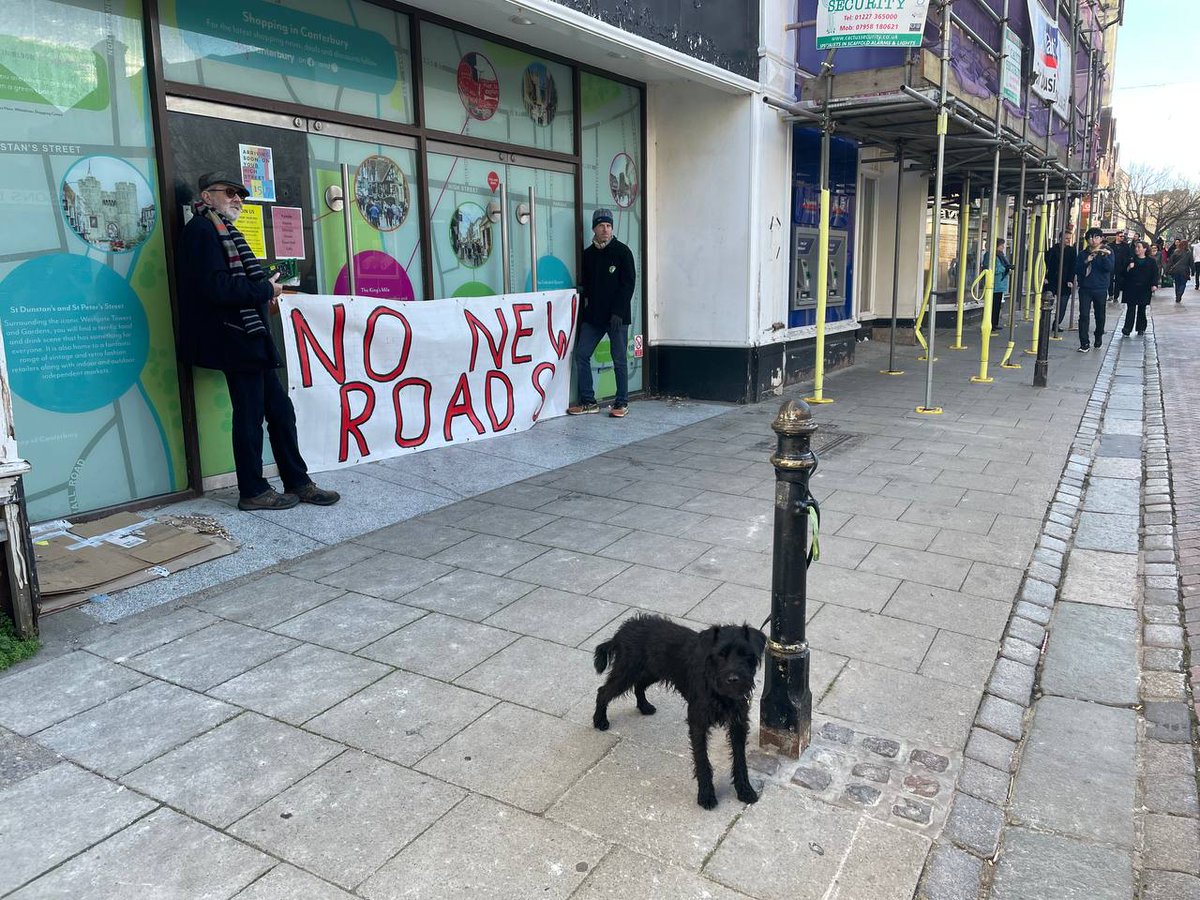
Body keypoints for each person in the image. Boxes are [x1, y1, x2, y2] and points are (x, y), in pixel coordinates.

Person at [176, 172, 340, 511]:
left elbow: (232, 283)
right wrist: (266, 289)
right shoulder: (202, 231)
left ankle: (298, 481)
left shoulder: (222, 229)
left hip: (249, 336)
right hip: (233, 338)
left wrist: (264, 289)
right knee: (250, 416)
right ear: (207, 197)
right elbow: (216, 288)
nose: (238, 199)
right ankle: (252, 490)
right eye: (230, 193)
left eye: (241, 194)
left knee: (280, 411)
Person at [569, 208, 636, 418]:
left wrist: (618, 312)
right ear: (594, 228)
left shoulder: (623, 252)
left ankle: (622, 402)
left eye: (608, 226)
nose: (605, 229)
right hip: (594, 317)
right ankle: (589, 401)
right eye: (601, 225)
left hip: (617, 318)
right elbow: (587, 284)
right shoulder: (588, 255)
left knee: (619, 359)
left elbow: (628, 285)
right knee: (581, 354)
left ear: (612, 228)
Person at [1073, 226, 1114, 353]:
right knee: (1084, 315)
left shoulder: (1107, 252)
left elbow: (1110, 268)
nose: (1093, 240)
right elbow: (1077, 270)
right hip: (1085, 288)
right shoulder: (1083, 254)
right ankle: (1084, 343)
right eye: (1090, 237)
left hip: (1100, 288)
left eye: (1096, 237)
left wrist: (1103, 256)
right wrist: (1086, 261)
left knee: (1100, 315)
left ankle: (1098, 336)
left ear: (1101, 239)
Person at [1120, 239, 1159, 337]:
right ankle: (1127, 328)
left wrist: (1154, 284)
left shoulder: (1151, 261)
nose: (1137, 249)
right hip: (1131, 287)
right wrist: (1128, 268)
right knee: (1131, 308)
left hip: (1144, 288)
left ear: (1145, 249)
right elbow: (1122, 273)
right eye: (1136, 247)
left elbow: (1155, 274)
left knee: (1142, 309)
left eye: (1139, 247)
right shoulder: (1131, 259)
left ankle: (1141, 328)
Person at [1045, 231, 1077, 335]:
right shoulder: (1053, 250)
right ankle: (1044, 322)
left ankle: (1056, 323)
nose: (1068, 240)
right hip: (1052, 279)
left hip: (1065, 280)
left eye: (1069, 238)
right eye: (1066, 238)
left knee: (1063, 304)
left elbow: (1073, 266)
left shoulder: (1072, 251)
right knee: (1047, 301)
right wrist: (1045, 277)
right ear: (1060, 239)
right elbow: (1046, 264)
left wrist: (1070, 280)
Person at [980, 240, 1012, 331]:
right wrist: (1005, 268)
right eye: (1001, 245)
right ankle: (991, 323)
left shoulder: (1001, 255)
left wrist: (1008, 269)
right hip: (993, 284)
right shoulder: (990, 256)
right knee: (992, 305)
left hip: (1000, 284)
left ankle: (995, 323)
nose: (1003, 247)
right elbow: (993, 269)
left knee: (997, 305)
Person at [1166, 237, 1194, 303]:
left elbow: (1170, 262)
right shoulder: (1188, 252)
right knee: (1183, 284)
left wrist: (1166, 270)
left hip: (1176, 270)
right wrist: (1193, 271)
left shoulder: (1176, 252)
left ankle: (1177, 296)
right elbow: (1191, 263)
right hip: (1184, 271)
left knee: (1177, 284)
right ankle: (1179, 294)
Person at [1108, 231, 1132, 303]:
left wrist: (1127, 263)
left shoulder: (1125, 246)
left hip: (1121, 266)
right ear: (1116, 236)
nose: (1122, 238)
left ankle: (1116, 296)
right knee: (1110, 280)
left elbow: (1128, 255)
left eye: (1123, 236)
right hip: (1112, 265)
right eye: (1121, 236)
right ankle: (1110, 295)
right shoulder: (1110, 245)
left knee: (1118, 281)